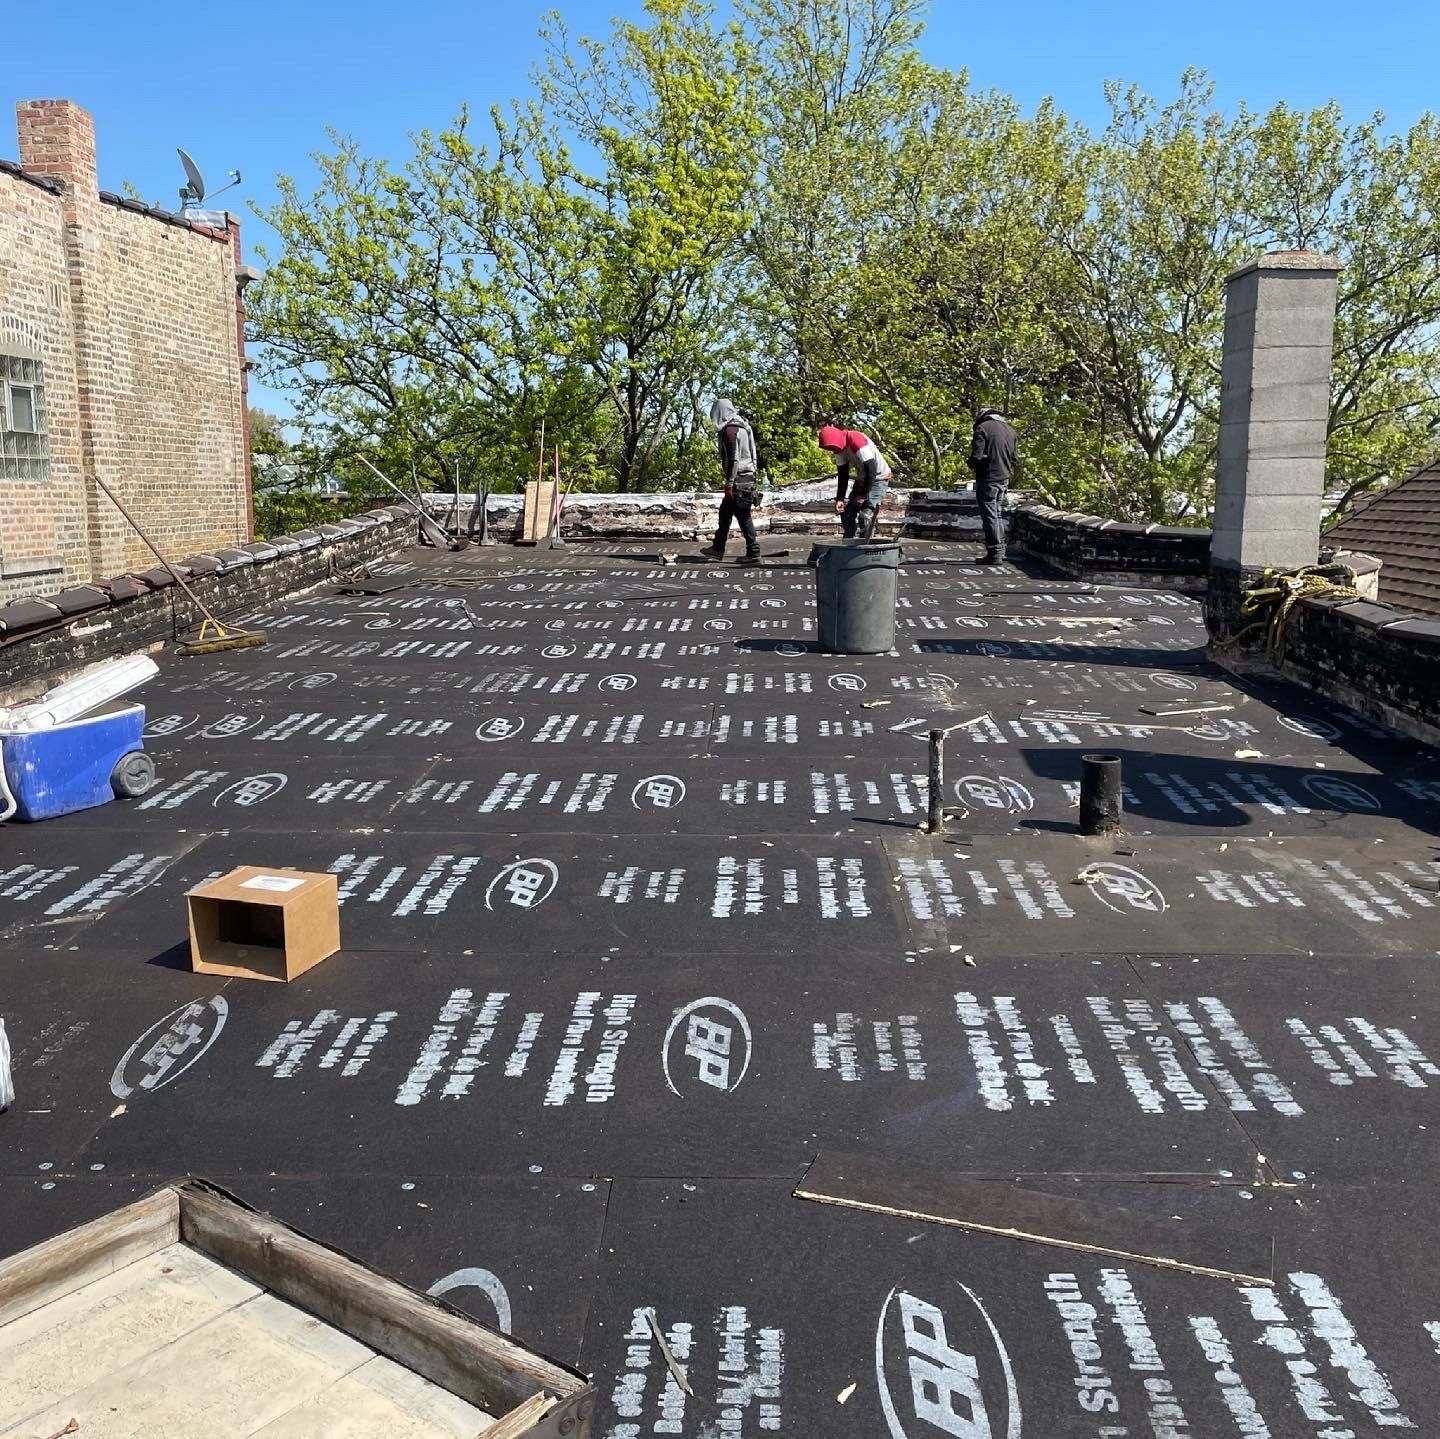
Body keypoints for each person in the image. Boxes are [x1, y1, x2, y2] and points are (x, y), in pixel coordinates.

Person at [700, 398, 762, 565]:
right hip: (748, 476)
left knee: (743, 515)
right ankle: (718, 548)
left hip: (738, 479)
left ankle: (754, 552)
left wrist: (729, 483)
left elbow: (733, 459)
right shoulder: (744, 426)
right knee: (725, 513)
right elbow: (753, 454)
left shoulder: (730, 430)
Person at [818, 425, 892, 540]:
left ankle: (865, 545)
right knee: (848, 514)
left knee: (865, 515)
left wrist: (864, 496)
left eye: (832, 448)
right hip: (863, 477)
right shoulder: (838, 449)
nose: (833, 451)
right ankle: (849, 542)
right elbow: (843, 475)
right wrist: (840, 499)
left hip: (879, 477)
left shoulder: (855, 439)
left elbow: (871, 469)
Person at [968, 406, 1017, 564]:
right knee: (997, 515)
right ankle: (1000, 551)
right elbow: (1015, 458)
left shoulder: (983, 428)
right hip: (1003, 478)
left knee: (990, 516)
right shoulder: (1010, 430)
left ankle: (994, 553)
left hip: (988, 478)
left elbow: (977, 456)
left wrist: (971, 463)